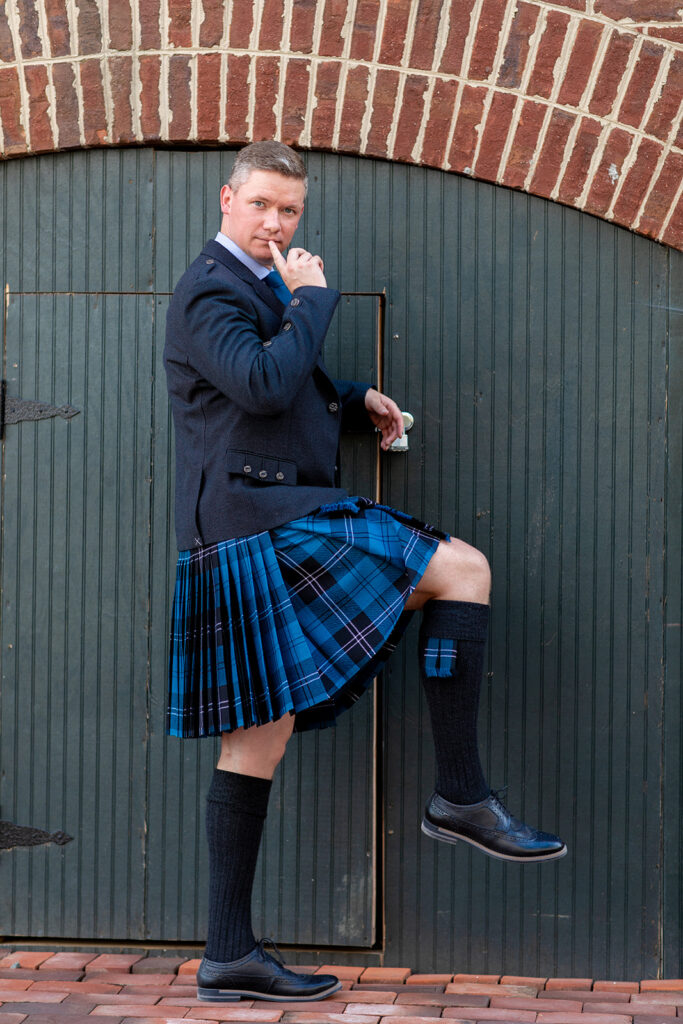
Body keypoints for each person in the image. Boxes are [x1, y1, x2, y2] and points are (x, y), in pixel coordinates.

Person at [164, 141, 566, 1005]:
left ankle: (228, 956)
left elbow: (272, 389)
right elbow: (262, 384)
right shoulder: (207, 287)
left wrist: (351, 400)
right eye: (263, 205)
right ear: (227, 199)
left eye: (291, 212)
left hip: (262, 523)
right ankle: (458, 795)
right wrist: (310, 296)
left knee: (258, 736)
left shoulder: (253, 286)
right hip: (253, 529)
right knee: (461, 568)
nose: (276, 224)